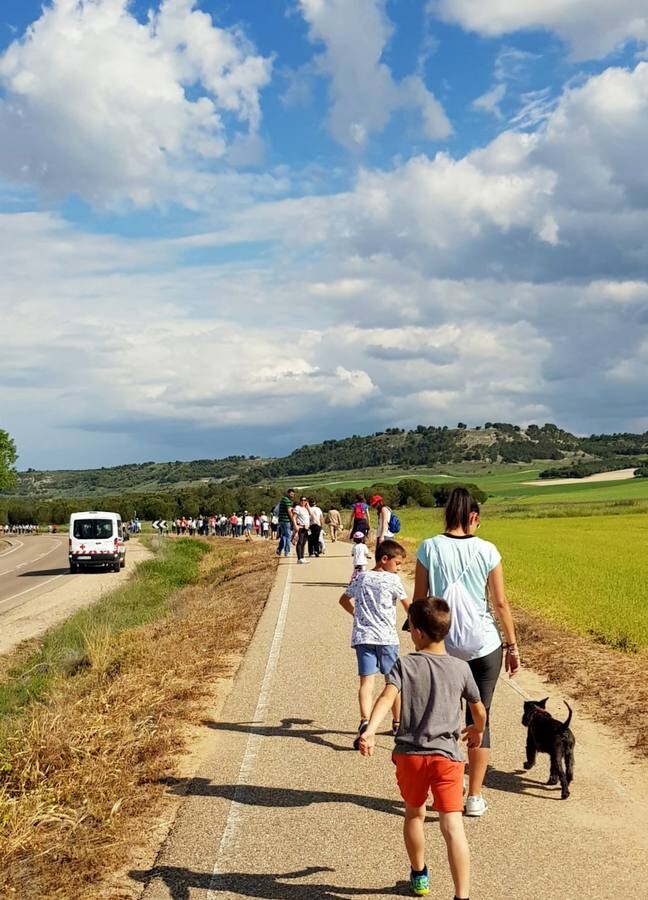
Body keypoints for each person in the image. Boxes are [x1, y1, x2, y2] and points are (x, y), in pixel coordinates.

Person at [359, 597, 487, 900]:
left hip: (411, 756)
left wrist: (371, 730)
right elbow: (479, 711)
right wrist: (476, 731)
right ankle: (462, 895)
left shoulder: (406, 663)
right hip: (448, 758)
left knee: (414, 814)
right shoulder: (460, 668)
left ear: (417, 632)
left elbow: (387, 698)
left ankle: (419, 877)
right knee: (452, 824)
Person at [414, 485, 520, 818]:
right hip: (484, 644)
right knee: (479, 717)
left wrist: (418, 643)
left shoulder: (428, 548)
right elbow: (500, 602)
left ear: (447, 514)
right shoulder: (488, 550)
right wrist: (512, 645)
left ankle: (449, 791)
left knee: (445, 718)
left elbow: (419, 602)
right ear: (473, 516)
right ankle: (474, 797)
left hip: (444, 645)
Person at [338, 539, 410, 749]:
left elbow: (343, 599)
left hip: (363, 637)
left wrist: (357, 615)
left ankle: (365, 720)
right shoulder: (393, 580)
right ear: (385, 559)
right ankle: (397, 722)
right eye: (397, 564)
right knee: (393, 683)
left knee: (366, 683)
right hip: (387, 638)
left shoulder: (361, 577)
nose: (398, 569)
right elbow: (408, 606)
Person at [275, 489, 296, 558]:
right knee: (288, 536)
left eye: (293, 494)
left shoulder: (284, 499)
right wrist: (292, 519)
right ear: (288, 493)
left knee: (284, 536)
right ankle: (287, 552)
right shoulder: (286, 500)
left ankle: (279, 549)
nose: (292, 495)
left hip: (281, 520)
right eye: (291, 494)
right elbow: (289, 511)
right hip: (285, 520)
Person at [292, 495, 311, 564]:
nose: (303, 501)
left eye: (305, 500)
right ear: (300, 501)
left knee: (303, 543)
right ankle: (299, 558)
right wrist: (295, 526)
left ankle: (302, 557)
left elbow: (311, 514)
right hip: (300, 527)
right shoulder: (298, 508)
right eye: (302, 500)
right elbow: (294, 517)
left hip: (306, 528)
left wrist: (308, 506)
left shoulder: (305, 509)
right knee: (300, 542)